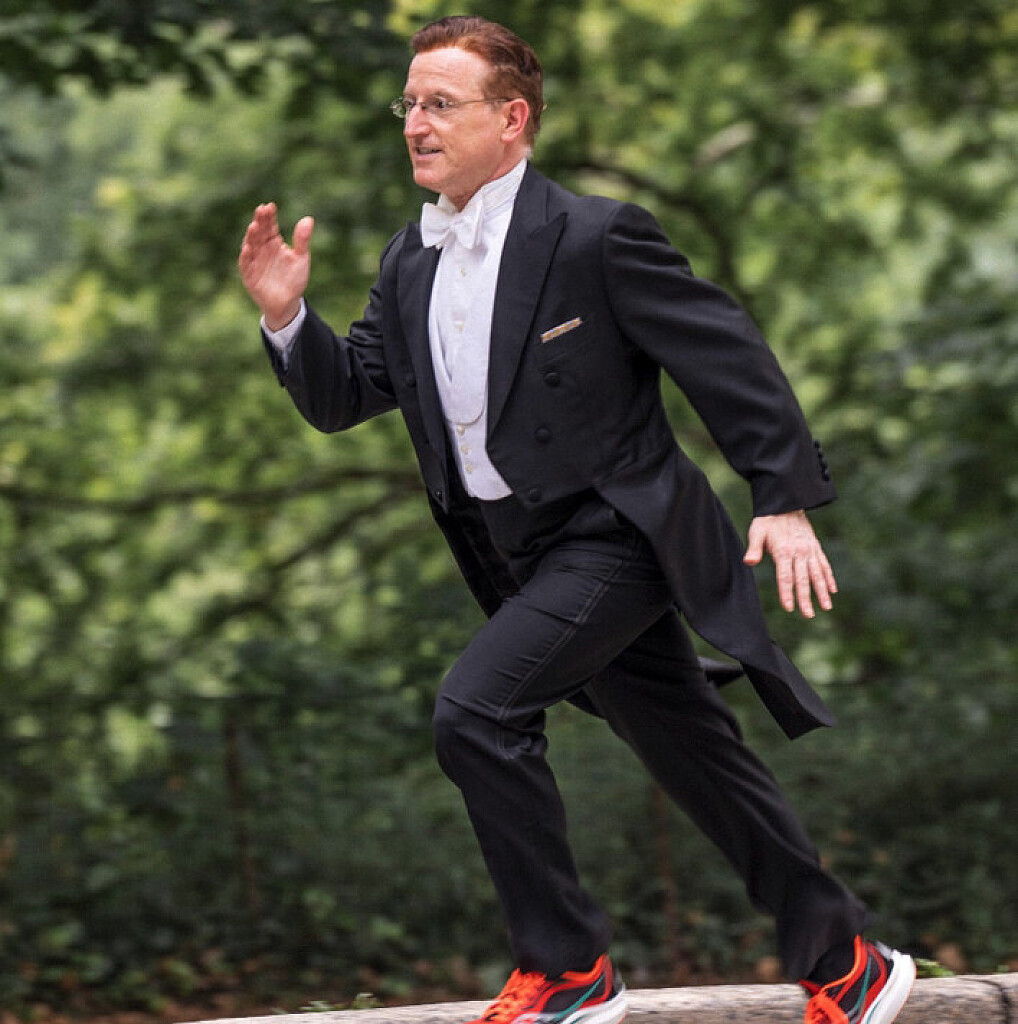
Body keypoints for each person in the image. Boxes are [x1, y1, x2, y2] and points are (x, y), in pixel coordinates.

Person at [238, 15, 915, 1024]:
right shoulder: (409, 260)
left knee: (476, 711)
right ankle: (848, 962)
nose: (415, 123)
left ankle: (567, 971)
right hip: (521, 557)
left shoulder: (597, 236)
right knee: (695, 755)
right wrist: (287, 317)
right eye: (409, 103)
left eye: (440, 103)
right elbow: (347, 397)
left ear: (511, 119)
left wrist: (782, 498)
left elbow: (724, 353)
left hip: (621, 535)